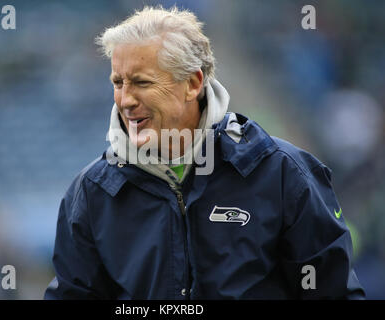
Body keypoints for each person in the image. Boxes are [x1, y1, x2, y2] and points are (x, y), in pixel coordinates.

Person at [44, 6, 365, 299]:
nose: (125, 99)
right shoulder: (90, 193)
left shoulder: (283, 173)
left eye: (141, 82)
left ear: (193, 83)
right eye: (118, 82)